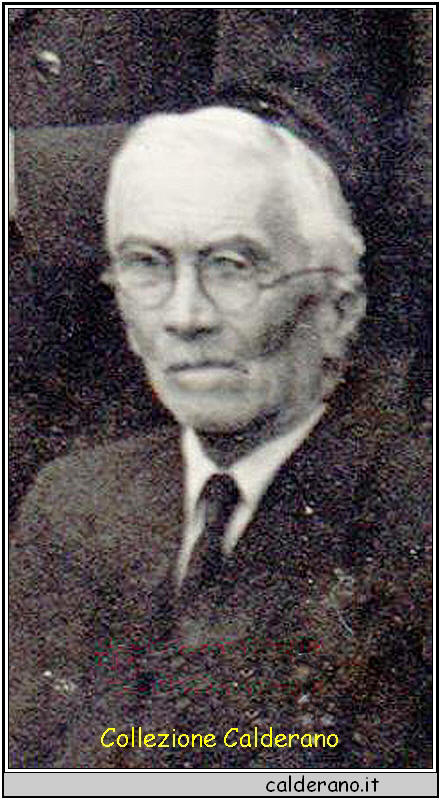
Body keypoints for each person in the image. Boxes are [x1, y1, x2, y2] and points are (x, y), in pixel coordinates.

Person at [9, 106, 431, 770]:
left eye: (232, 266)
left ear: (338, 309)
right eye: (147, 266)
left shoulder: (414, 514)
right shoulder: (74, 504)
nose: (185, 316)